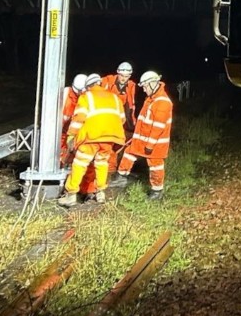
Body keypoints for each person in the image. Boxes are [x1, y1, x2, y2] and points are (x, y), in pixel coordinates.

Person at [57, 72, 125, 207]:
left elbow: (78, 119)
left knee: (79, 164)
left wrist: (71, 136)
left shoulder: (86, 97)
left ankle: (71, 195)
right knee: (102, 164)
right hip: (110, 137)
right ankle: (100, 192)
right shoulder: (114, 97)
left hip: (91, 138)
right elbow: (122, 119)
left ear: (88, 86)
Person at [110, 70, 172, 200]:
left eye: (145, 86)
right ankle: (121, 176)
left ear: (152, 84)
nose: (143, 89)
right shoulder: (151, 99)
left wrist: (150, 144)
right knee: (129, 152)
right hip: (142, 139)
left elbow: (158, 127)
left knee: (155, 165)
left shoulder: (162, 102)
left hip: (154, 143)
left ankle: (157, 191)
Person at [60, 73, 98, 196]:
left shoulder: (89, 97)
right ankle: (64, 184)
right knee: (62, 158)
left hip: (82, 134)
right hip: (63, 133)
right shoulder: (65, 94)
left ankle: (88, 190)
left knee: (85, 162)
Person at [101, 62, 137, 172]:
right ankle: (107, 169)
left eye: (126, 76)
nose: (123, 79)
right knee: (106, 144)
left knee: (117, 144)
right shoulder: (107, 81)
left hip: (120, 120)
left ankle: (111, 169)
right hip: (106, 119)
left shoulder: (131, 86)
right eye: (121, 76)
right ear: (118, 73)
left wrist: (132, 125)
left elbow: (130, 106)